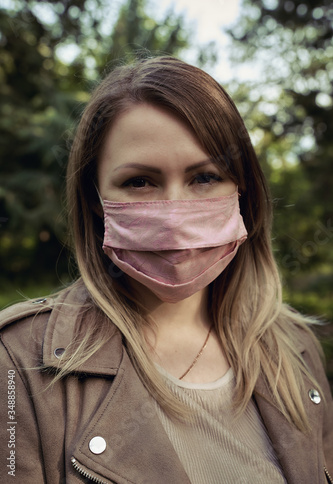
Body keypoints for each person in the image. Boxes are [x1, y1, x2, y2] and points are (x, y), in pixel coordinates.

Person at [0, 56, 332, 484]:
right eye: (140, 181)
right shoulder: (18, 364)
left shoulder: (295, 348)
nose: (175, 215)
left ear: (243, 192)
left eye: (205, 177)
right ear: (96, 201)